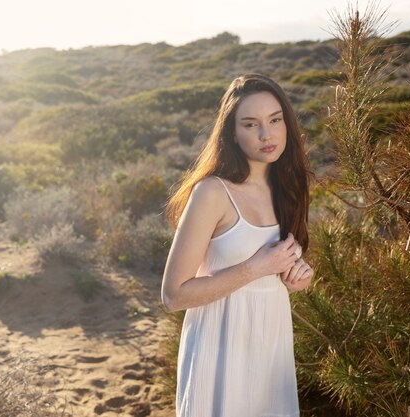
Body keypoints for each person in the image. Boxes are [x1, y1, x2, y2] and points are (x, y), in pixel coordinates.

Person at [161, 73, 314, 417]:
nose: (266, 134)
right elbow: (173, 295)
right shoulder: (213, 193)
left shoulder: (288, 188)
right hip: (219, 353)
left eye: (275, 120)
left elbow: (282, 271)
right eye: (250, 124)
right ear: (232, 132)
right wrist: (256, 268)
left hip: (270, 349)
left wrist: (298, 278)